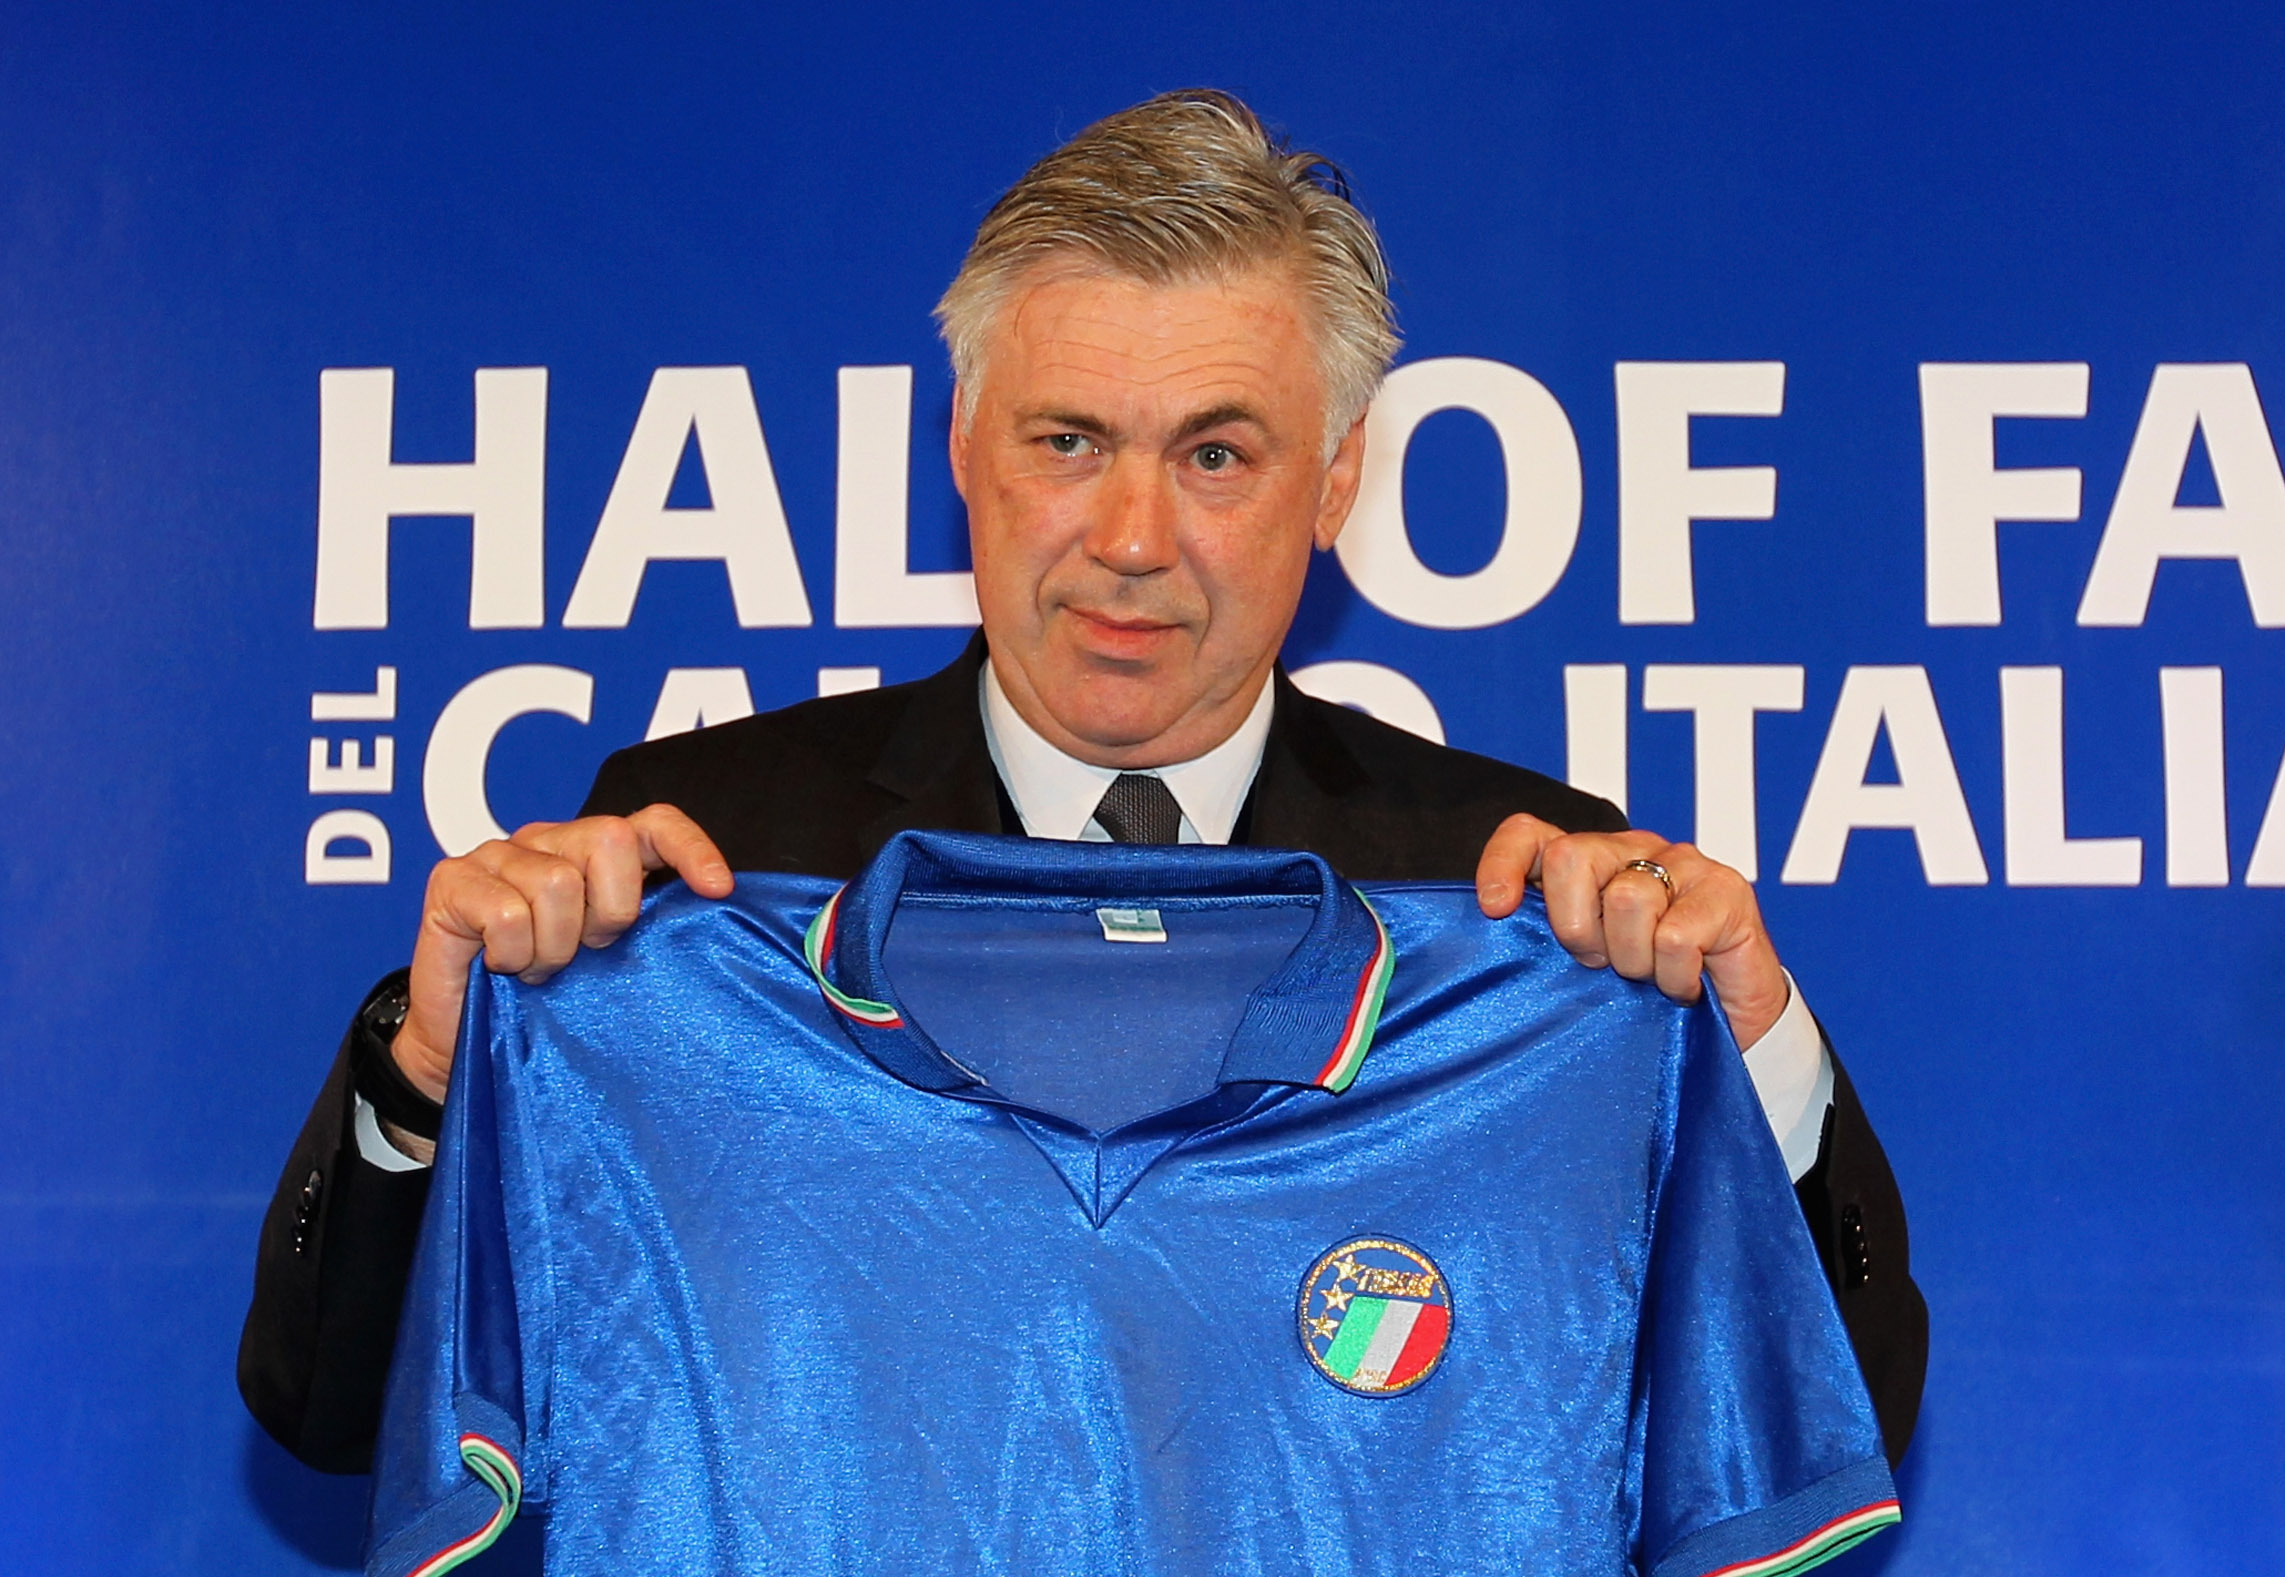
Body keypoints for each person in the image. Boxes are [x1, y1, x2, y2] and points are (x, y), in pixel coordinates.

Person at [238, 87, 1925, 1478]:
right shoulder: (698, 864)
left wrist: (1747, 1043)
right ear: (961, 444)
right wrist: (436, 1069)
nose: (1131, 541)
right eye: (1067, 444)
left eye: (1215, 454)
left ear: (1335, 480)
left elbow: (1825, 1421)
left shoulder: (1519, 898)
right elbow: (335, 1413)